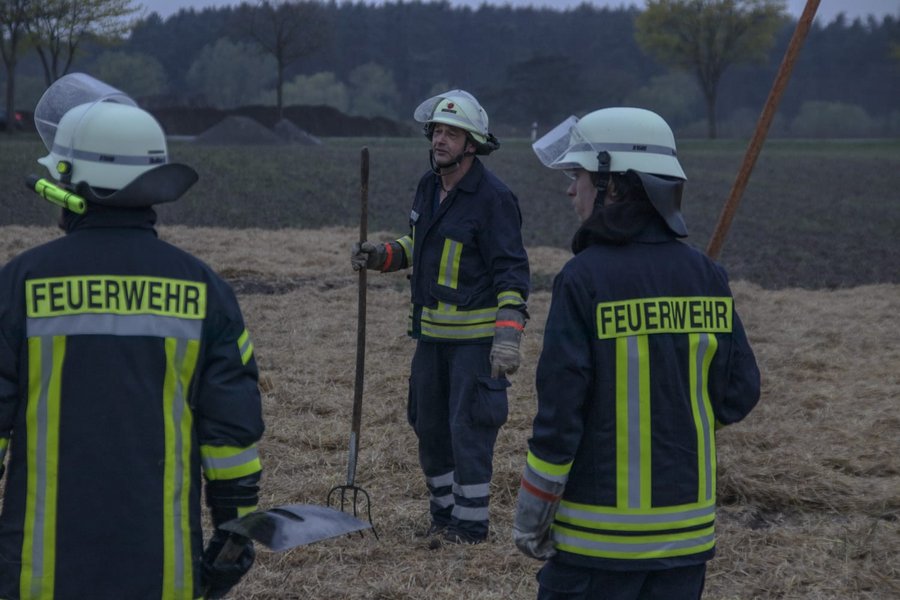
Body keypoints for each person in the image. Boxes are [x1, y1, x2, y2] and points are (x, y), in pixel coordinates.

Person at [0, 73, 264, 599]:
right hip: (162, 574)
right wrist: (235, 535)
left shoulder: (18, 285)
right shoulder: (205, 290)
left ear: (70, 185)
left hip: (39, 575)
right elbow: (231, 437)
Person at [513, 107, 761, 599]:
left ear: (614, 185)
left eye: (578, 175)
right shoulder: (707, 277)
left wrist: (532, 514)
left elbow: (561, 416)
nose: (570, 190)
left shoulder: (583, 280)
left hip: (597, 544)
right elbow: (738, 395)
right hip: (686, 544)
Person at [351, 89, 530, 545]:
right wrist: (382, 255)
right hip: (430, 339)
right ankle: (443, 517)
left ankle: (470, 529)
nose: (440, 140)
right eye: (436, 131)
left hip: (474, 345)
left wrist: (508, 335)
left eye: (451, 133)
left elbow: (511, 270)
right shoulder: (428, 188)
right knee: (428, 425)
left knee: (467, 428)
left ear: (473, 144)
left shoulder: (494, 199)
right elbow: (420, 245)